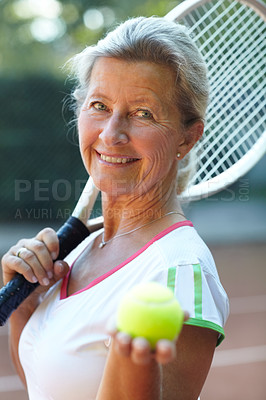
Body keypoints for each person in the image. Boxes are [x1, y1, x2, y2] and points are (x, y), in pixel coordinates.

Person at [1, 16, 229, 400]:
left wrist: (131, 364)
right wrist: (25, 304)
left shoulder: (181, 273)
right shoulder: (80, 249)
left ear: (187, 137)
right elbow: (44, 386)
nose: (111, 134)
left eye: (143, 113)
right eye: (99, 105)